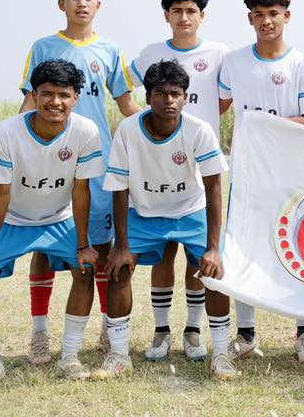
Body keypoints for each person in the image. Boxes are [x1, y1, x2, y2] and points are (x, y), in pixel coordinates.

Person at [19, 0, 141, 364]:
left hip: (97, 164)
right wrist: (13, 148)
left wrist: (172, 132)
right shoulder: (42, 47)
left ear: (99, 5)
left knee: (100, 247)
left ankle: (109, 326)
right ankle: (39, 333)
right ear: (61, 4)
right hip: (48, 165)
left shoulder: (110, 50)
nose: (82, 3)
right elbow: (26, 106)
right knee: (45, 244)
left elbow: (126, 107)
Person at [93, 61, 238, 381]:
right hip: (144, 215)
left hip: (190, 212)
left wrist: (214, 248)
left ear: (185, 97)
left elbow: (214, 188)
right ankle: (118, 356)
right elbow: (119, 188)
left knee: (215, 274)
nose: (168, 100)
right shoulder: (129, 130)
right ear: (148, 97)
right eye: (160, 93)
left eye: (175, 93)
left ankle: (223, 356)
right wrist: (122, 245)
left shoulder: (199, 130)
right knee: (117, 270)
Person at [0, 60, 104, 391]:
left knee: (84, 270)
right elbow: (0, 195)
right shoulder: (8, 132)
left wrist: (83, 244)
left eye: (63, 95)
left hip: (59, 218)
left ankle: (69, 357)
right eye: (47, 94)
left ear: (76, 97)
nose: (55, 102)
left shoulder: (85, 131)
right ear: (35, 95)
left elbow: (81, 190)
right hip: (13, 218)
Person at [217, 0, 304, 361]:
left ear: (287, 16)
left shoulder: (301, 63)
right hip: (248, 174)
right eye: (259, 15)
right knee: (243, 247)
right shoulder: (232, 62)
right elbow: (216, 105)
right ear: (249, 18)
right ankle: (245, 335)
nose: (267, 21)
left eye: (274, 14)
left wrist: (264, 124)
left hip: (293, 172)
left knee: (298, 247)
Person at [129, 0, 230, 363]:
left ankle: (192, 329)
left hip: (200, 167)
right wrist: (141, 133)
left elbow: (226, 97)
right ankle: (160, 331)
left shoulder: (218, 52)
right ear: (166, 16)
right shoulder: (151, 54)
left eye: (191, 11)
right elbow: (125, 89)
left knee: (197, 257)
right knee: (162, 254)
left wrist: (193, 134)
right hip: (157, 171)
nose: (184, 17)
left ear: (202, 15)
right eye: (177, 11)